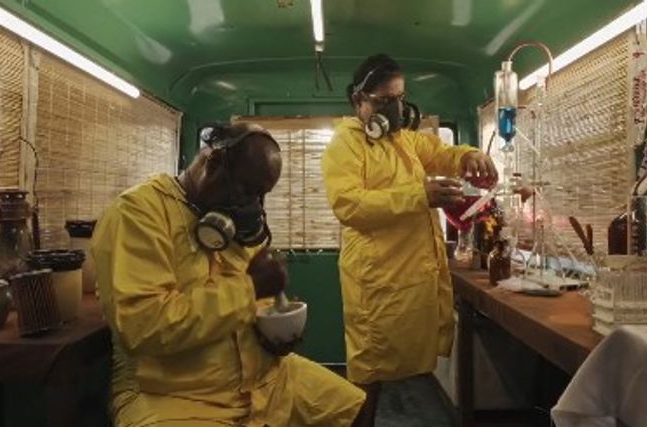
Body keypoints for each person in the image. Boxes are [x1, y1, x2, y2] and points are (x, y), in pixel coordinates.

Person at [92, 123, 367, 427]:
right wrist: (250, 289)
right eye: (248, 190)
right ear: (213, 163)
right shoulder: (137, 213)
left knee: (356, 409)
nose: (254, 206)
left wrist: (272, 336)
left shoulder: (235, 224)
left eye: (262, 195)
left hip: (263, 381)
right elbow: (144, 326)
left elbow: (256, 306)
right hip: (174, 396)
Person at [321, 54, 498, 423]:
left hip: (408, 275)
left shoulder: (403, 140)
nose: (397, 109)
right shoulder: (345, 144)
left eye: (401, 98)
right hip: (376, 279)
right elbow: (349, 205)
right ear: (359, 101)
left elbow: (442, 153)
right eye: (385, 100)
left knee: (406, 369)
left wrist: (469, 155)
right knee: (368, 373)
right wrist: (420, 196)